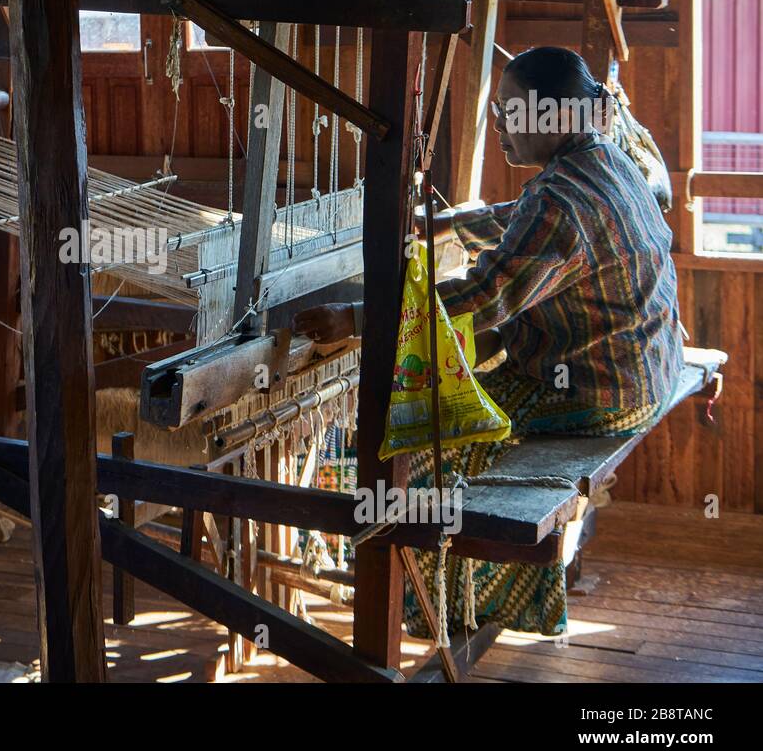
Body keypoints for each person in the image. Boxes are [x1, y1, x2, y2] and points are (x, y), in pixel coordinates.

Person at [293, 46, 683, 636]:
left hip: (601, 391)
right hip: (645, 366)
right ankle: (450, 598)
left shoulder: (559, 202)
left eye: (509, 111)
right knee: (445, 405)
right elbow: (519, 216)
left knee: (410, 445)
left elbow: (483, 300)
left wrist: (355, 318)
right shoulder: (604, 159)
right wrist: (447, 226)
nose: (499, 124)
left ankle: (432, 608)